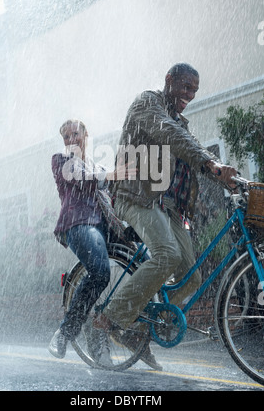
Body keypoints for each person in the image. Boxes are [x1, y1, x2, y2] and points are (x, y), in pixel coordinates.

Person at [94, 63, 238, 333]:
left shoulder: (178, 120)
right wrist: (210, 162)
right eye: (186, 87)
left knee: (192, 277)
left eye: (195, 90)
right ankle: (113, 316)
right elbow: (172, 136)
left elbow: (192, 149)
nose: (190, 95)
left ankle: (141, 326)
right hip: (135, 195)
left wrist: (224, 174)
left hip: (165, 204)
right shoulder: (147, 103)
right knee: (168, 255)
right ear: (169, 80)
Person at [48, 119, 162, 370]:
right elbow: (83, 178)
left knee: (150, 266)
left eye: (75, 134)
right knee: (100, 273)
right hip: (79, 224)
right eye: (66, 136)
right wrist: (111, 175)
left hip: (108, 226)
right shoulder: (61, 161)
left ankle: (131, 331)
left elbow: (117, 191)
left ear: (86, 134)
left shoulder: (97, 166)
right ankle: (65, 333)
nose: (71, 140)